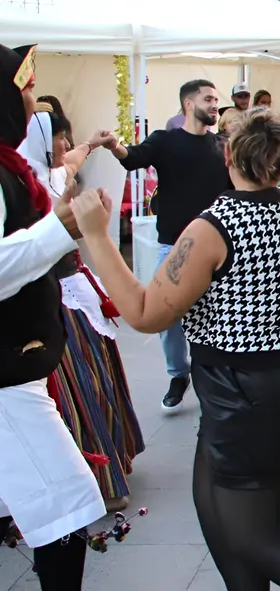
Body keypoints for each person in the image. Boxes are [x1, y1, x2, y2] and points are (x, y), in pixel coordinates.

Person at [77, 109, 280, 590]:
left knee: (256, 536)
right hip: (271, 384)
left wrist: (96, 234)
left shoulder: (213, 227)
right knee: (219, 520)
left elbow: (144, 313)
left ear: (227, 154)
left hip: (245, 394)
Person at [0, 42, 106, 590]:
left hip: (16, 366)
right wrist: (56, 229)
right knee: (65, 504)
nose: (31, 103)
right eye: (22, 90)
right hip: (5, 381)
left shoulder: (9, 167)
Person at [19, 104, 144, 514]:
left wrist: (94, 143)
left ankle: (112, 465)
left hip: (74, 289)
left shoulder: (50, 173)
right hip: (51, 297)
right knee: (77, 388)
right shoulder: (26, 181)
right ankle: (100, 481)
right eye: (58, 137)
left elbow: (70, 160)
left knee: (95, 376)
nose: (66, 146)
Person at [101, 78, 233, 413]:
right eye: (209, 99)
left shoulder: (221, 146)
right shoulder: (165, 141)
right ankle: (179, 373)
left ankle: (211, 378)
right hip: (173, 246)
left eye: (217, 99)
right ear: (189, 104)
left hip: (215, 247)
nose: (215, 105)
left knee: (213, 316)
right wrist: (114, 145)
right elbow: (133, 158)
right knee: (166, 317)